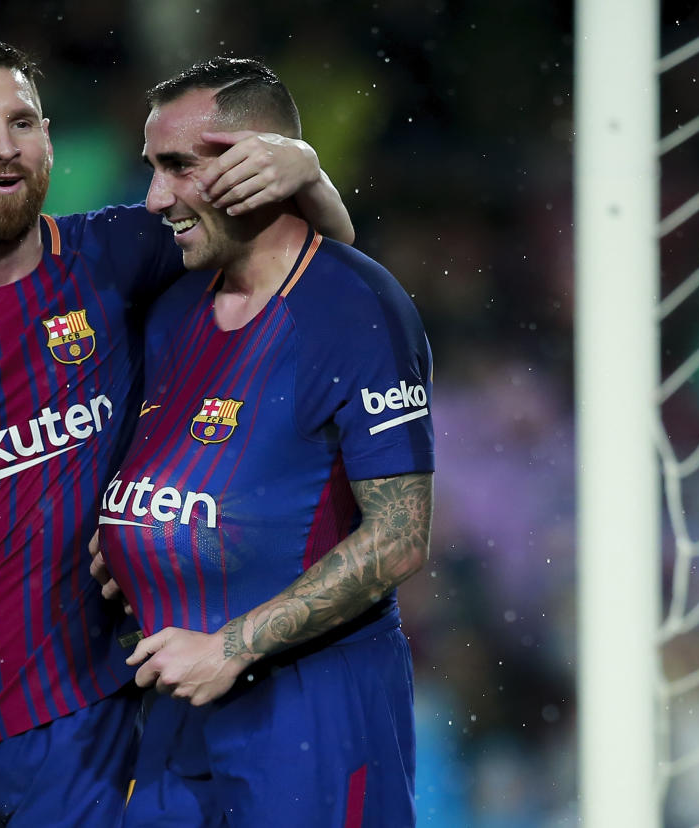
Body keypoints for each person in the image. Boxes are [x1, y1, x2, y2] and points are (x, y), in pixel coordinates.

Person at [0, 28, 355, 827]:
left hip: (85, 720)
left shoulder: (118, 252)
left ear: (48, 137)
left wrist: (307, 173)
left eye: (24, 122)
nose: (5, 148)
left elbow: (314, 271)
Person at [91, 57, 434, 826]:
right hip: (175, 709)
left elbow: (403, 537)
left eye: (179, 166)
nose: (154, 197)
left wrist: (234, 645)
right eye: (153, 167)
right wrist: (129, 537)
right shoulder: (175, 303)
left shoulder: (358, 306)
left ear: (256, 162)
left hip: (313, 711)